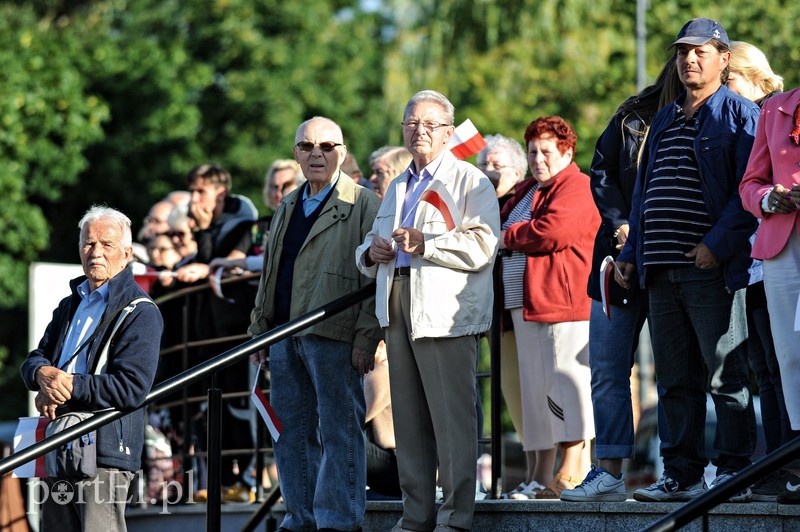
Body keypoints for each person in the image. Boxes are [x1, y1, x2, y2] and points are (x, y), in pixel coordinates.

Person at [614, 17, 760, 502]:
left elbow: (749, 191)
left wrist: (716, 245)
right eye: (682, 52)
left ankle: (735, 474)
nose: (689, 59)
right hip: (658, 269)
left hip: (710, 269)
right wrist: (633, 252)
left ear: (724, 59)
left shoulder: (739, 114)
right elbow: (642, 194)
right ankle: (681, 475)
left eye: (700, 51)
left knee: (725, 375)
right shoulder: (665, 117)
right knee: (675, 381)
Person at [356, 90, 500, 531]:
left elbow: (484, 244)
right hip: (396, 303)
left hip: (444, 311)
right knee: (409, 422)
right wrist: (371, 252)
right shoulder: (398, 184)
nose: (420, 130)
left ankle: (455, 519)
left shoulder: (469, 180)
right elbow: (366, 249)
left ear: (449, 132)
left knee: (453, 420)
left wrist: (427, 244)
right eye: (412, 123)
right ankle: (415, 517)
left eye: (431, 124)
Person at [249, 116, 382, 531]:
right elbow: (272, 271)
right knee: (291, 432)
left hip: (335, 333)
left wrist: (365, 335)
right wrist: (259, 332)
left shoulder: (364, 203)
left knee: (340, 429)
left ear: (342, 153)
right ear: (296, 155)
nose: (317, 154)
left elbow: (374, 280)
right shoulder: (288, 203)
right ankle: (299, 517)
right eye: (307, 147)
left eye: (327, 146)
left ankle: (338, 521)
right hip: (285, 335)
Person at [560, 56, 681, 502]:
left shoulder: (711, 116)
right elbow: (603, 172)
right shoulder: (632, 115)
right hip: (617, 260)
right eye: (681, 58)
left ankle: (679, 473)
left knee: (676, 372)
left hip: (673, 260)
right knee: (608, 369)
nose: (688, 66)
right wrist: (620, 224)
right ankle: (608, 472)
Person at [20, 205, 163, 532]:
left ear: (127, 254)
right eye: (88, 243)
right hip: (58, 443)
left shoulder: (140, 312)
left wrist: (67, 385)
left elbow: (131, 388)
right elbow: (34, 359)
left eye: (106, 244)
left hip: (104, 450)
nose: (95, 252)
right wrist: (43, 376)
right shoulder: (70, 304)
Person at [497, 116, 598, 501]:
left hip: (563, 301)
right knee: (536, 394)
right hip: (524, 304)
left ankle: (573, 470)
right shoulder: (528, 189)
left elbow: (552, 231)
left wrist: (506, 238)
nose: (538, 158)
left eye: (547, 151)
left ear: (567, 152)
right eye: (532, 151)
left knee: (565, 387)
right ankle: (539, 475)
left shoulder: (577, 185)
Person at [726, 41, 798, 502]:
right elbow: (749, 182)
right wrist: (767, 198)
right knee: (788, 359)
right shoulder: (775, 109)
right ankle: (795, 466)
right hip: (780, 246)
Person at [474, 134, 531, 499]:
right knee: (510, 394)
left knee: (535, 395)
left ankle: (547, 475)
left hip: (525, 309)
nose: (490, 172)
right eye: (484, 166)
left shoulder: (524, 199)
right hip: (491, 313)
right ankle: (532, 475)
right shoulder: (476, 205)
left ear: (517, 170)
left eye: (498, 165)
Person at [175, 163, 258, 284]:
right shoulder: (202, 219)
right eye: (192, 191)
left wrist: (203, 229)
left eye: (201, 191)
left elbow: (209, 263)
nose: (194, 198)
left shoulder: (243, 225)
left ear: (221, 194)